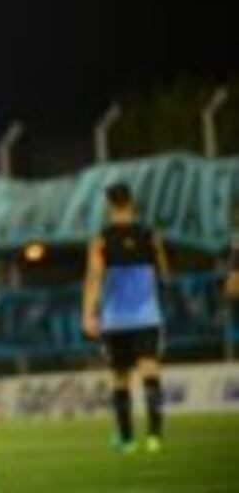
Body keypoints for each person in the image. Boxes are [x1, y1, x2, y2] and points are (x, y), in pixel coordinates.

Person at [81, 182, 171, 454]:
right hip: (147, 316)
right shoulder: (150, 235)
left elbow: (94, 278)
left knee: (120, 378)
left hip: (115, 319)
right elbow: (164, 274)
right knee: (150, 373)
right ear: (132, 202)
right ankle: (155, 437)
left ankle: (128, 440)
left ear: (109, 204)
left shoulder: (101, 239)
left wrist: (87, 314)